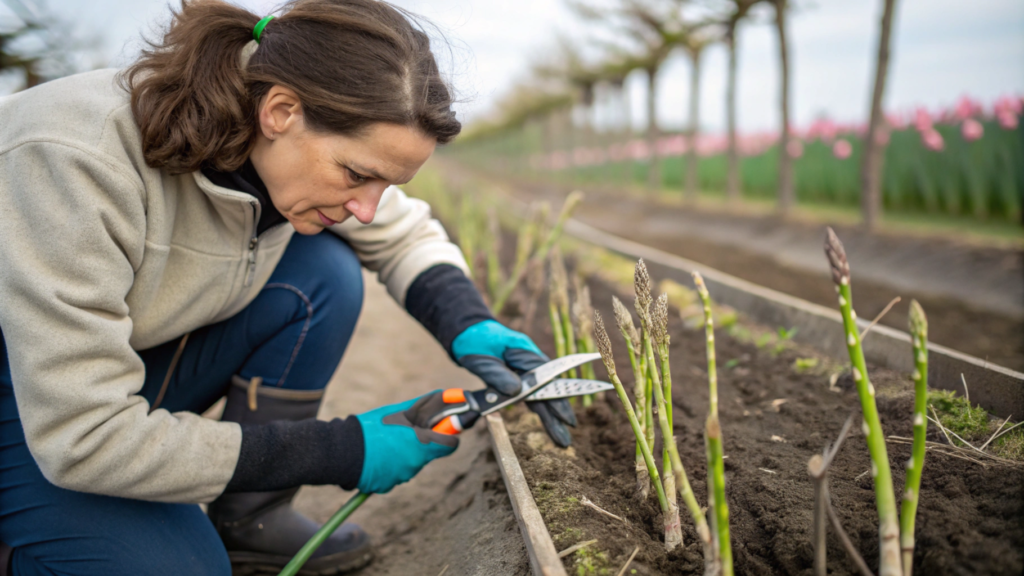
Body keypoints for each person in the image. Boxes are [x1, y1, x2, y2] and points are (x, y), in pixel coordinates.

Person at [0, 1, 577, 574]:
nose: (367, 209)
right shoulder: (74, 161)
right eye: (357, 175)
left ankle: (250, 519)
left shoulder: (280, 141)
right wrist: (341, 450)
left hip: (108, 370)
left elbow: (404, 235)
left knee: (322, 271)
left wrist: (468, 322)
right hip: (39, 398)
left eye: (386, 182)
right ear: (281, 110)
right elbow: (83, 434)